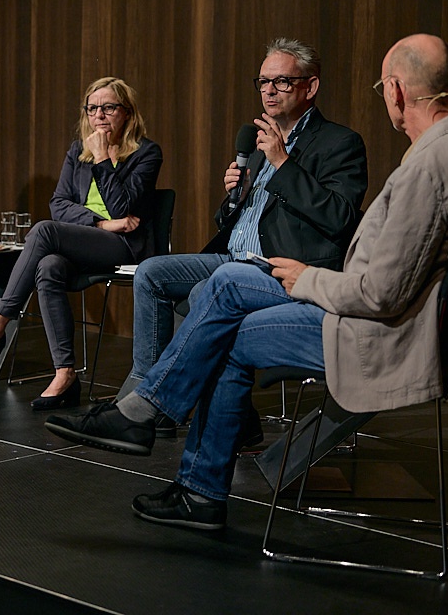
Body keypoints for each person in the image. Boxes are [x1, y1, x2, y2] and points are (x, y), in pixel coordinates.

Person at [45, 34, 448, 530]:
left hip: (380, 333)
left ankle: (166, 443)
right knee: (224, 305)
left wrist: (309, 279)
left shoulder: (426, 166)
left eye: (383, 89)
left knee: (225, 307)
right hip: (410, 323)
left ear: (396, 91)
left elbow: (377, 294)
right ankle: (174, 455)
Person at [119, 38, 368, 439]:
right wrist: (233, 196)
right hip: (234, 257)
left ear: (310, 86)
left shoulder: (339, 143)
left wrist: (283, 164)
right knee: (151, 273)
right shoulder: (258, 140)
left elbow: (339, 218)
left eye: (282, 81)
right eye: (264, 82)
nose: (269, 90)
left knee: (203, 291)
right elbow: (239, 219)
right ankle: (145, 388)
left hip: (283, 268)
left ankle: (183, 410)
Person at [0, 77, 163, 409]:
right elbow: (58, 204)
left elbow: (123, 208)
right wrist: (101, 223)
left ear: (127, 113)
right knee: (48, 266)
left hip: (123, 248)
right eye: (92, 108)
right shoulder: (77, 151)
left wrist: (103, 159)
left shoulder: (146, 153)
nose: (99, 115)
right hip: (89, 239)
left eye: (108, 108)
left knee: (44, 231)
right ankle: (65, 374)